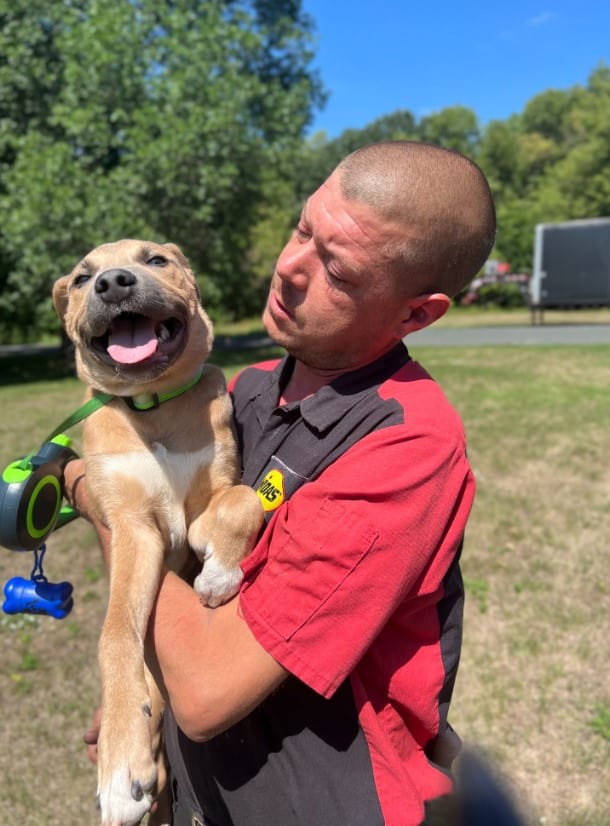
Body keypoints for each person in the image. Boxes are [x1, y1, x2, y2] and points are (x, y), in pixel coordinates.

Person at [66, 140, 496, 826]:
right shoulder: (248, 390)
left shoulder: (405, 446)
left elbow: (207, 692)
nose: (290, 268)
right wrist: (132, 696)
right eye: (303, 229)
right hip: (202, 790)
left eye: (338, 269)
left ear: (416, 313)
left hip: (321, 801)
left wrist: (93, 494)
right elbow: (177, 560)